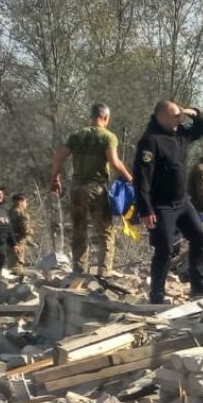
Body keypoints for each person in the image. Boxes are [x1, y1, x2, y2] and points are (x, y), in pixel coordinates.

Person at [134, 100, 203, 304]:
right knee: (165, 248)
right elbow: (141, 178)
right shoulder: (150, 141)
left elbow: (202, 128)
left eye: (180, 115)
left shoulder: (181, 134)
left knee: (199, 235)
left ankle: (199, 286)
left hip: (182, 202)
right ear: (161, 117)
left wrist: (195, 113)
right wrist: (145, 209)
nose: (179, 119)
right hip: (161, 205)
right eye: (175, 115)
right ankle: (157, 295)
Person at [50, 103, 134, 277]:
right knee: (105, 231)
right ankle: (104, 271)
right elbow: (114, 162)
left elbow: (58, 156)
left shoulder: (76, 135)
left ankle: (78, 271)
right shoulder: (108, 137)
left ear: (91, 116)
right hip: (96, 188)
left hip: (76, 188)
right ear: (106, 117)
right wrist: (130, 178)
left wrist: (55, 178)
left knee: (79, 230)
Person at [8, 193, 34, 275]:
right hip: (18, 242)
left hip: (8, 242)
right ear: (21, 202)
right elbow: (25, 230)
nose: (26, 204)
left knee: (11, 265)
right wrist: (31, 230)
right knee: (17, 266)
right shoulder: (21, 213)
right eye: (26, 202)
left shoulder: (8, 212)